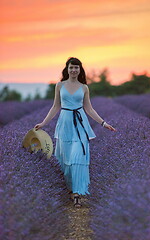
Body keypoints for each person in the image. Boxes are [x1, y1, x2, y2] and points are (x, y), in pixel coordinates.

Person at [34, 57, 116, 208]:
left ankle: (78, 193)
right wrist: (44, 123)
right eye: (71, 67)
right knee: (65, 159)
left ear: (80, 70)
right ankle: (70, 190)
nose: (74, 70)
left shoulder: (84, 87)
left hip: (80, 124)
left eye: (76, 68)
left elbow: (89, 109)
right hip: (65, 123)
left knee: (78, 157)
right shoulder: (60, 85)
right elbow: (55, 107)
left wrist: (103, 123)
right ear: (67, 69)